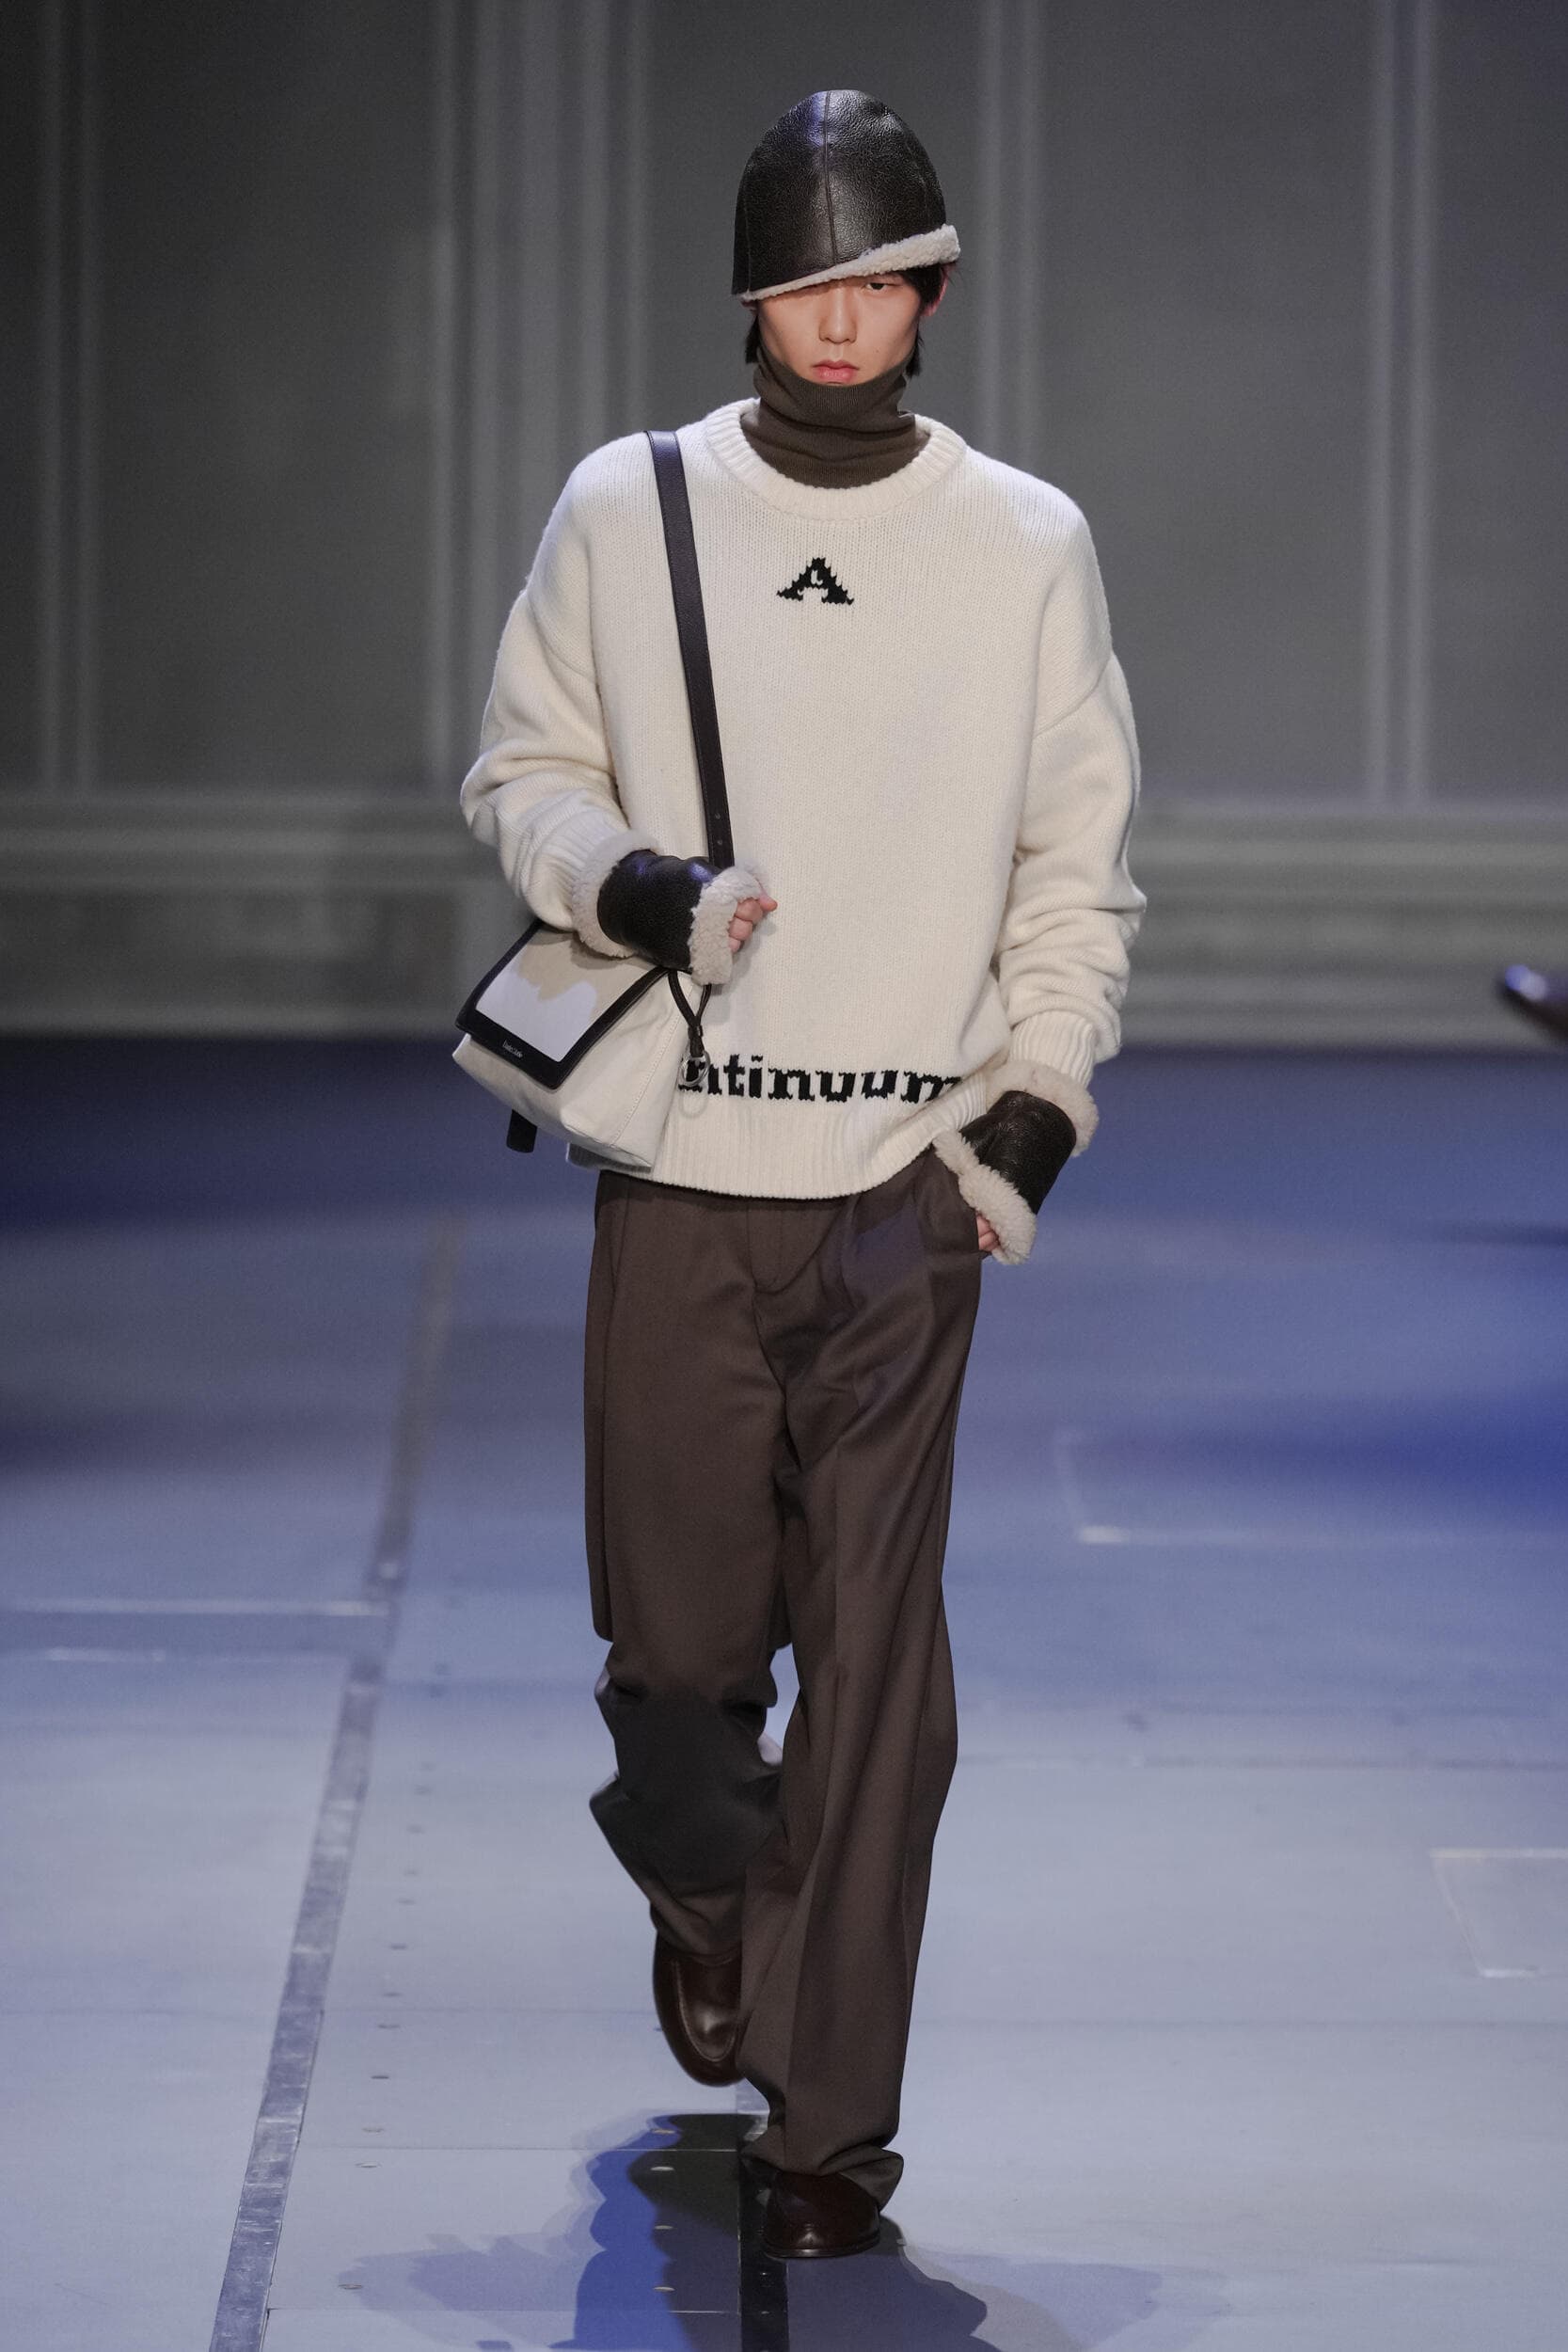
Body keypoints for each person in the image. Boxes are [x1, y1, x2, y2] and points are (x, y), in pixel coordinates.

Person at [460, 87, 1146, 2260]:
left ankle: (832, 2128)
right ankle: (705, 1882)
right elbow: (523, 770)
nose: (838, 319)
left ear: (929, 292)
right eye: (801, 282)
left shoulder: (1023, 541)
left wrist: (1028, 1115)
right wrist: (639, 882)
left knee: (880, 1682)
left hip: (899, 1187)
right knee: (679, 1675)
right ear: (751, 296)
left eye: (875, 280)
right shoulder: (628, 505)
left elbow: (1077, 864)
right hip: (680, 1172)